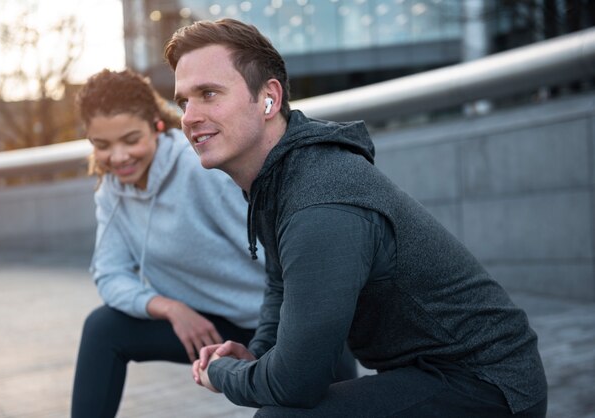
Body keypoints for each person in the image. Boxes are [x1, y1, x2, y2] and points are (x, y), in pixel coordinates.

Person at [164, 18, 548, 417]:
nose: (190, 117)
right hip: (433, 375)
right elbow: (280, 286)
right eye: (183, 102)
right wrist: (255, 353)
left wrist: (223, 372)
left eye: (209, 94)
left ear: (269, 99)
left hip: (489, 386)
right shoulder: (278, 179)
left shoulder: (320, 199)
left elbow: (294, 384)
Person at [70, 68, 267, 418]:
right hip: (209, 327)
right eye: (102, 145)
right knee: (103, 329)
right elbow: (109, 274)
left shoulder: (199, 170)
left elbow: (273, 254)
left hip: (279, 321)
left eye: (131, 140)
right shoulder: (111, 192)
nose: (118, 157)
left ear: (156, 125)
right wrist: (171, 308)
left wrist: (287, 335)